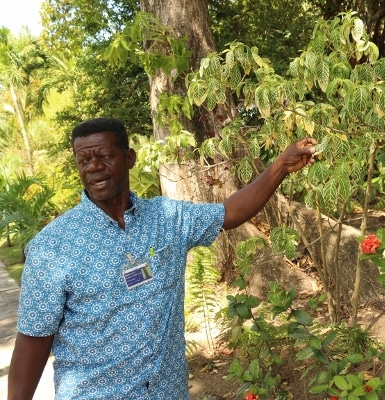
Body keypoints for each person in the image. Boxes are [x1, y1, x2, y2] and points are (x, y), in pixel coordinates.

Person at [8, 117, 317, 400]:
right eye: (84, 160)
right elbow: (34, 339)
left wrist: (281, 167)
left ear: (129, 158)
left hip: (167, 391)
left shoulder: (167, 218)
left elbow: (230, 212)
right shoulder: (52, 247)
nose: (93, 167)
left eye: (104, 156)